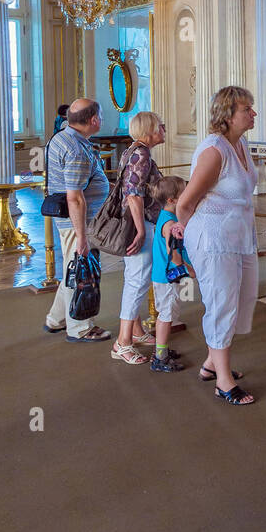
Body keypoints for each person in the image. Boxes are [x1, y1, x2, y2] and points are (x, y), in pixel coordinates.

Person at [175, 86, 259, 404]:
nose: (253, 113)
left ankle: (212, 363)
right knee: (222, 304)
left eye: (251, 108)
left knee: (241, 300)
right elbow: (185, 203)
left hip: (238, 236)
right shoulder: (214, 150)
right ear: (227, 114)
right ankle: (223, 381)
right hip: (213, 238)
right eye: (246, 109)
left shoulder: (241, 144)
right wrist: (187, 238)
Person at [43, 98, 111, 342]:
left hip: (73, 221)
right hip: (78, 222)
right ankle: (80, 328)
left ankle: (56, 319)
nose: (101, 120)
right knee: (82, 274)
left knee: (73, 269)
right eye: (100, 116)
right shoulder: (75, 149)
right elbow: (75, 198)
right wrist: (82, 235)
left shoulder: (63, 136)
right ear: (93, 120)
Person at [111, 111, 168, 366]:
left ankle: (134, 330)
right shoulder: (141, 153)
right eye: (160, 126)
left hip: (135, 222)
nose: (164, 129)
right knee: (138, 280)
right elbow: (133, 195)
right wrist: (141, 230)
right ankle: (122, 343)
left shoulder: (132, 150)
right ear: (149, 131)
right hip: (139, 223)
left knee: (133, 278)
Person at [149, 176, 192, 374]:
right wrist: (188, 270)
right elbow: (173, 252)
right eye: (184, 193)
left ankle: (161, 348)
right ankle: (160, 357)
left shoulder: (165, 217)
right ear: (172, 200)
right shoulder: (170, 224)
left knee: (165, 314)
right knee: (167, 316)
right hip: (168, 276)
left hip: (161, 275)